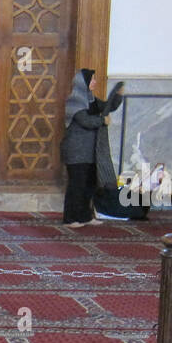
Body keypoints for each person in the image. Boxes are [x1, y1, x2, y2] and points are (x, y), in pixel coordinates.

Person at [61, 69, 137, 226]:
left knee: (89, 185)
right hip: (76, 152)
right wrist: (103, 121)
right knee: (77, 185)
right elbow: (86, 121)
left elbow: (108, 107)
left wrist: (117, 95)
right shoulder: (74, 101)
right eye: (92, 79)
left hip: (90, 152)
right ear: (83, 82)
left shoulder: (91, 101)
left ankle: (85, 216)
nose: (94, 82)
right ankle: (70, 218)